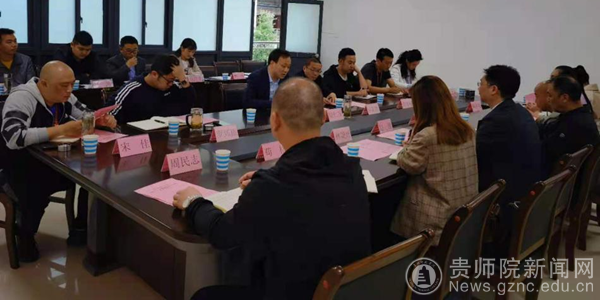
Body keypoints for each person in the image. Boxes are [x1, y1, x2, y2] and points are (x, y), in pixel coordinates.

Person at [173, 78, 371, 300]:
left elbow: (222, 233)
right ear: (324, 117)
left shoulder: (274, 185)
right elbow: (305, 187)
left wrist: (193, 202)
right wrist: (265, 179)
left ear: (274, 120)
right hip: (345, 289)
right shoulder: (351, 168)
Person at [0, 61, 116, 261]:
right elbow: (14, 137)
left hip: (50, 159)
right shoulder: (21, 98)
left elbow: (86, 115)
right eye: (63, 85)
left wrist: (101, 120)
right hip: (18, 164)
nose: (69, 90)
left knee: (90, 179)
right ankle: (25, 235)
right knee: (36, 190)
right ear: (43, 83)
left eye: (72, 84)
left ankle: (80, 230)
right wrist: (61, 129)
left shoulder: (66, 96)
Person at [391, 75, 478, 245]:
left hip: (435, 221)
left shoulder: (428, 136)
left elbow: (407, 162)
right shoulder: (467, 129)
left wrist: (409, 143)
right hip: (462, 214)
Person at [476, 65, 543, 205]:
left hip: (504, 195)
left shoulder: (495, 121)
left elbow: (475, 155)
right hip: (526, 186)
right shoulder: (521, 111)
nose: (478, 88)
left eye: (480, 84)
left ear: (493, 89)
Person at [109, 54, 196, 124]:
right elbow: (109, 113)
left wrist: (182, 79)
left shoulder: (173, 87)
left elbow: (189, 105)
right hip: (137, 135)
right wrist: (109, 120)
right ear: (154, 74)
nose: (171, 84)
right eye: (169, 80)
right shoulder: (132, 88)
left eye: (174, 80)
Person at [540, 75, 600, 174]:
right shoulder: (582, 116)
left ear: (564, 98)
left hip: (559, 179)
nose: (548, 100)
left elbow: (547, 152)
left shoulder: (575, 125)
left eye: (550, 95)